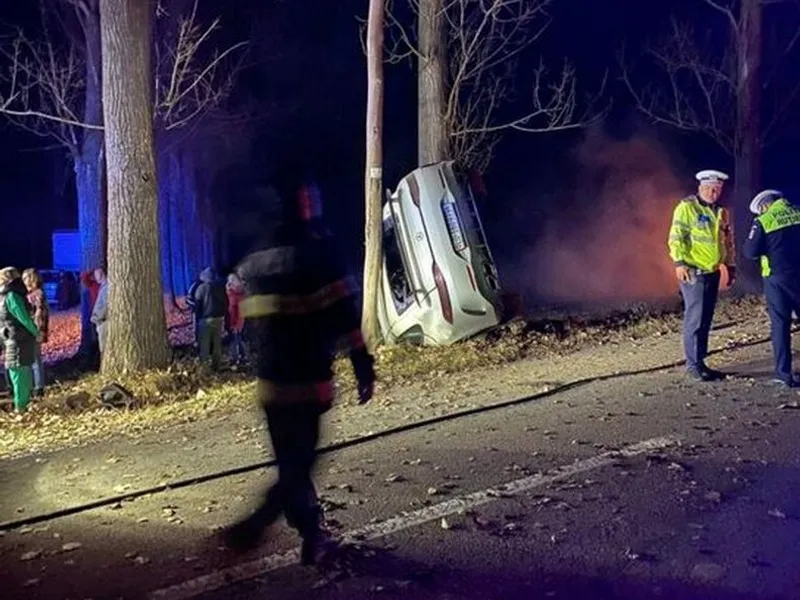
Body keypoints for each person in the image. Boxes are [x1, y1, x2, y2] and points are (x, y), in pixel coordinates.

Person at [222, 180, 376, 565]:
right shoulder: (320, 252)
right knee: (298, 464)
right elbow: (344, 315)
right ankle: (261, 524)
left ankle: (310, 534)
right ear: (304, 206)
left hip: (272, 385)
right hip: (308, 381)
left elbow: (246, 320)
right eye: (310, 199)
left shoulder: (255, 256)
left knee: (292, 463)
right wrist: (362, 365)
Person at [668, 169, 736, 381]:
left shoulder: (721, 212)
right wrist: (679, 263)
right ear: (700, 188)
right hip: (693, 272)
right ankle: (693, 365)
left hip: (712, 271)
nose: (713, 192)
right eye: (709, 188)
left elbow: (727, 242)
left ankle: (700, 362)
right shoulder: (687, 208)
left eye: (717, 189)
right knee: (695, 320)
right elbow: (676, 237)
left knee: (705, 320)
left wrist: (730, 266)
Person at [743, 189, 800, 387]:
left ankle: (784, 375)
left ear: (764, 206)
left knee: (780, 324)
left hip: (777, 278)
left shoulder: (764, 221)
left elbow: (750, 252)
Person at [0, 267, 41, 413]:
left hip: (15, 339)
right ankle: (21, 406)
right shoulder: (10, 296)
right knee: (20, 374)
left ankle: (21, 406)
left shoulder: (7, 297)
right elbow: (19, 318)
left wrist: (36, 332)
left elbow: (18, 319)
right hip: (16, 339)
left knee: (19, 374)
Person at [191, 267, 227, 370]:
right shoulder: (220, 287)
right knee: (217, 344)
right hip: (219, 319)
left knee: (205, 345)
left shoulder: (201, 288)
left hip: (205, 320)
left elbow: (197, 305)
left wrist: (196, 316)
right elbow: (225, 302)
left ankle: (204, 368)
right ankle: (217, 366)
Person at [22, 268, 49, 397]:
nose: (23, 281)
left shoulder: (37, 294)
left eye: (26, 278)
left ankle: (38, 387)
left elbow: (40, 314)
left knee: (35, 360)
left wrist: (37, 331)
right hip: (31, 330)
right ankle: (35, 385)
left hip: (34, 330)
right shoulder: (30, 293)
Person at [225, 273, 247, 365]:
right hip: (236, 318)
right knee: (238, 338)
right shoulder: (236, 292)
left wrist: (235, 324)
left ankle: (235, 358)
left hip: (236, 319)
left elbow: (235, 309)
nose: (228, 283)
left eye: (230, 281)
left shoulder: (237, 294)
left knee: (234, 339)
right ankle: (243, 356)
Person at [91, 268, 109, 356]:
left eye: (95, 275)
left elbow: (105, 305)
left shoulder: (106, 288)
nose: (94, 277)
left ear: (100, 275)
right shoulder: (102, 286)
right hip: (101, 320)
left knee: (104, 347)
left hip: (103, 321)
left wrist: (97, 318)